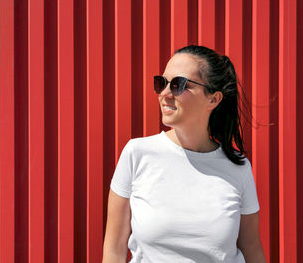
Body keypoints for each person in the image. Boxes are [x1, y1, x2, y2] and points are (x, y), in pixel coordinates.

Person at [103, 45, 266, 263]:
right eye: (161, 83)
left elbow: (252, 249)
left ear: (213, 99)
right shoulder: (137, 154)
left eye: (179, 84)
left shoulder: (237, 167)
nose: (165, 93)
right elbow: (114, 250)